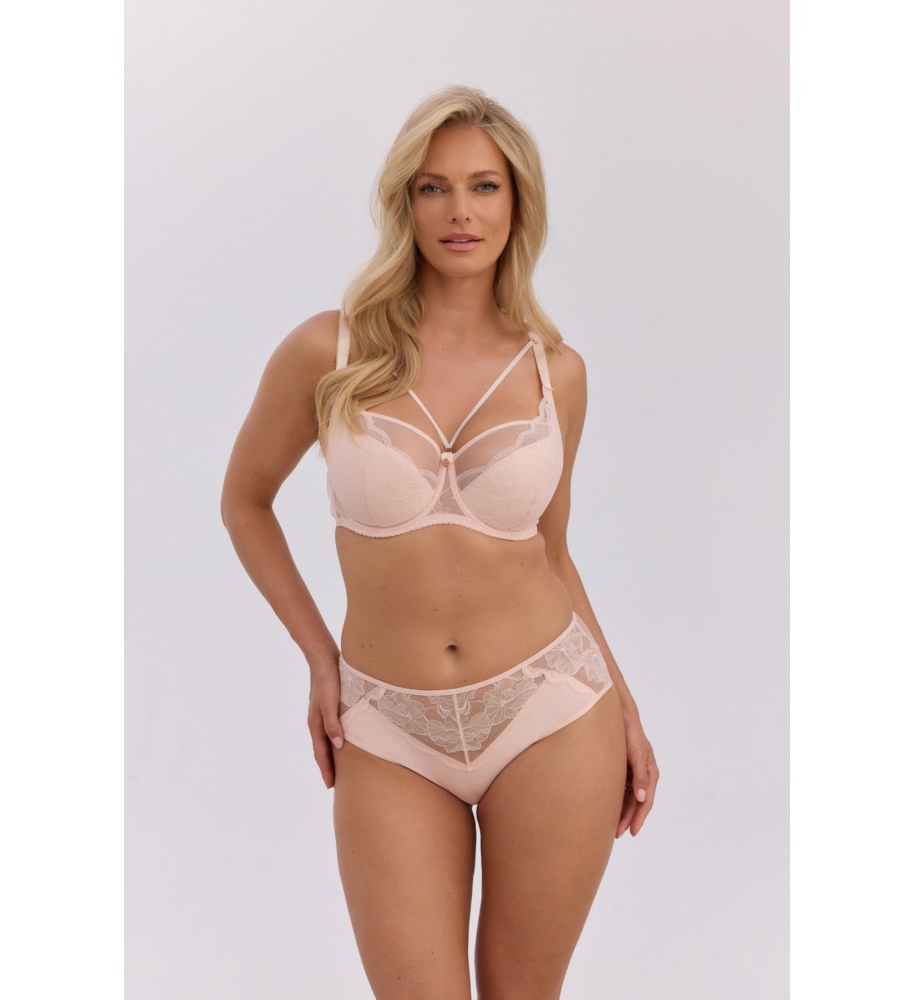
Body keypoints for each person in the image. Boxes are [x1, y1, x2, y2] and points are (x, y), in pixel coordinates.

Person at [221, 85, 659, 1000]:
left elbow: (552, 551)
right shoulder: (330, 352)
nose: (461, 211)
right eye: (434, 187)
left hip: (550, 708)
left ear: (518, 204)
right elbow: (245, 502)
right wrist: (320, 658)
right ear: (405, 203)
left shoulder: (558, 373)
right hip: (387, 723)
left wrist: (622, 704)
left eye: (484, 186)